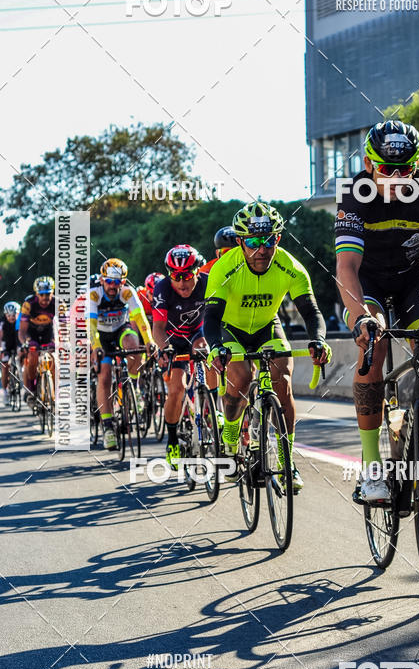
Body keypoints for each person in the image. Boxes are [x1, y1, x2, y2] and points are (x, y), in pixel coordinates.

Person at [335, 120, 419, 502]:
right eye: (387, 169)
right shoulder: (354, 193)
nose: (397, 177)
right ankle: (372, 469)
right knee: (374, 348)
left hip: (412, 281)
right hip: (366, 283)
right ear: (370, 164)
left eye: (406, 168)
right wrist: (361, 319)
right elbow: (347, 268)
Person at [205, 201, 330, 492]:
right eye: (253, 242)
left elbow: (311, 312)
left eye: (269, 240)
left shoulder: (290, 267)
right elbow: (210, 317)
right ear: (240, 242)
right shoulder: (225, 268)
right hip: (230, 328)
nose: (262, 249)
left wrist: (318, 340)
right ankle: (232, 436)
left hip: (266, 326)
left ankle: (287, 462)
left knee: (282, 380)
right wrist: (215, 347)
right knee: (240, 379)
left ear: (279, 238)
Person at [152, 246, 209, 469]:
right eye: (176, 276)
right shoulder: (163, 288)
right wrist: (164, 347)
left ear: (197, 270)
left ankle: (213, 406)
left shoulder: (207, 283)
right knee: (176, 389)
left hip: (199, 332)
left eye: (187, 274)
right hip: (174, 339)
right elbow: (157, 327)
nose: (182, 282)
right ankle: (173, 439)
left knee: (206, 348)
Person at [89, 258, 155, 450]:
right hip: (101, 335)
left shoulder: (127, 293)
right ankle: (108, 427)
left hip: (120, 329)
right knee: (105, 376)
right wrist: (96, 346)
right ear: (102, 280)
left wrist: (149, 340)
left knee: (134, 343)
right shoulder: (94, 295)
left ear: (123, 282)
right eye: (109, 281)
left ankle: (132, 384)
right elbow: (91, 326)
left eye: (117, 282)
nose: (112, 285)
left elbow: (140, 319)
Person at [19, 277, 56, 404]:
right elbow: (22, 331)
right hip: (32, 332)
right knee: (33, 356)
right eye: (42, 295)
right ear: (36, 294)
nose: (45, 298)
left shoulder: (58, 303)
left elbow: (64, 326)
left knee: (54, 358)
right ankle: (31, 387)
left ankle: (55, 394)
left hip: (49, 332)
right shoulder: (29, 304)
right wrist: (25, 342)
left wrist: (61, 341)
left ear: (52, 292)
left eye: (48, 294)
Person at [0, 302, 20, 404]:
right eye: (8, 315)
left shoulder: (21, 320)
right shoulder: (1, 322)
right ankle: (5, 392)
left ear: (18, 314)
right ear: (5, 315)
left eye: (14, 315)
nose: (11, 317)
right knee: (5, 366)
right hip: (6, 344)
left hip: (17, 343)